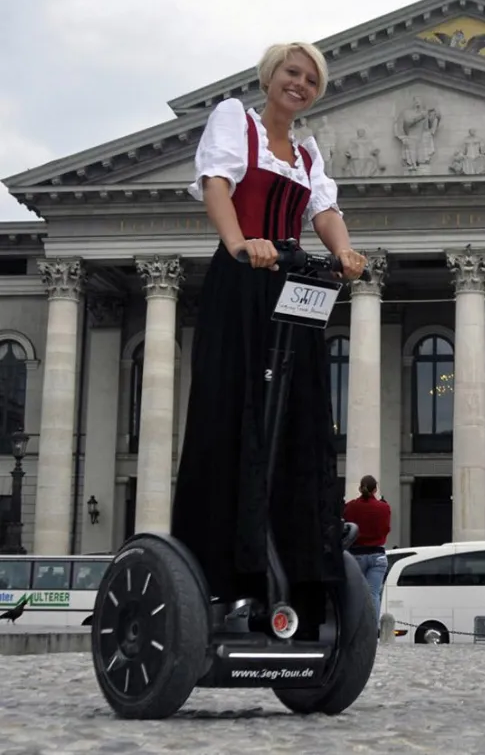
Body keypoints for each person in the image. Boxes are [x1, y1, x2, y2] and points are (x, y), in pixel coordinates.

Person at [171, 41, 368, 638]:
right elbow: (216, 185)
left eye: (311, 79)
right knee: (238, 412)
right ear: (269, 77)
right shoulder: (237, 121)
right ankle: (225, 575)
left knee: (299, 419)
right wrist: (238, 244)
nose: (300, 84)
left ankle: (298, 573)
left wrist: (343, 250)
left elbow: (323, 212)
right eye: (292, 72)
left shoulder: (307, 151)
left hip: (293, 285)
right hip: (245, 279)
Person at [343, 475, 391, 628]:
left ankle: (353, 626)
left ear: (359, 488)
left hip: (356, 555)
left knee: (355, 594)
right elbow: (386, 529)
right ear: (375, 489)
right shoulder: (384, 507)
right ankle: (371, 628)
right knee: (373, 595)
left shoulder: (350, 507)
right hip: (377, 555)